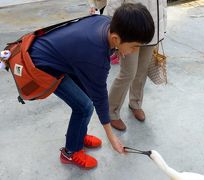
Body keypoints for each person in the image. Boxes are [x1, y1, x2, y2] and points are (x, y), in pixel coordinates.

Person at [29, 3, 155, 169]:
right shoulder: (95, 56)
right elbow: (100, 98)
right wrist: (112, 138)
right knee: (84, 107)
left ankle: (78, 136)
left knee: (84, 99)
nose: (134, 51)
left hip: (65, 57)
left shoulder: (106, 24)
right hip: (42, 65)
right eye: (134, 46)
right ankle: (70, 152)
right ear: (116, 39)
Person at [105, 0, 167, 131]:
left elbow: (162, 4)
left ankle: (135, 103)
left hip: (151, 31)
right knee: (128, 73)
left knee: (142, 71)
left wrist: (162, 28)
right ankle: (111, 111)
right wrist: (115, 32)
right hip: (129, 32)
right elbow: (114, 3)